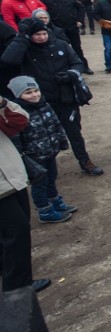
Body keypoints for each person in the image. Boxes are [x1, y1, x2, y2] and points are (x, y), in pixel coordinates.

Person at [2, 18, 105, 176]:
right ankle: (43, 167)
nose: (42, 37)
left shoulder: (60, 45)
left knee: (74, 133)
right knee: (42, 135)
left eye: (44, 33)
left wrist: (70, 75)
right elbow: (8, 59)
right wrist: (22, 37)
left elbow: (77, 63)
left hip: (65, 98)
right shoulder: (25, 49)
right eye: (37, 34)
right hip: (39, 102)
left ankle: (85, 161)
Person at [7, 76, 77, 223]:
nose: (34, 95)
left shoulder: (45, 104)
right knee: (40, 184)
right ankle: (44, 210)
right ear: (18, 95)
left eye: (36, 90)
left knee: (52, 177)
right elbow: (16, 138)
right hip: (34, 156)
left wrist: (62, 141)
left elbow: (56, 123)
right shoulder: (17, 113)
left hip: (50, 151)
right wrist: (22, 156)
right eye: (28, 92)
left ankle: (54, 200)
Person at [0, 94, 51, 292]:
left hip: (11, 173)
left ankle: (11, 272)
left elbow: (20, 121)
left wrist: (3, 104)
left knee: (18, 228)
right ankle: (18, 286)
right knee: (16, 230)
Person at [38, 0, 93, 75]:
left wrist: (80, 20)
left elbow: (80, 7)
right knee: (60, 49)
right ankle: (66, 70)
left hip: (72, 26)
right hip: (56, 28)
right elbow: (41, 11)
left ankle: (84, 67)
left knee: (77, 48)